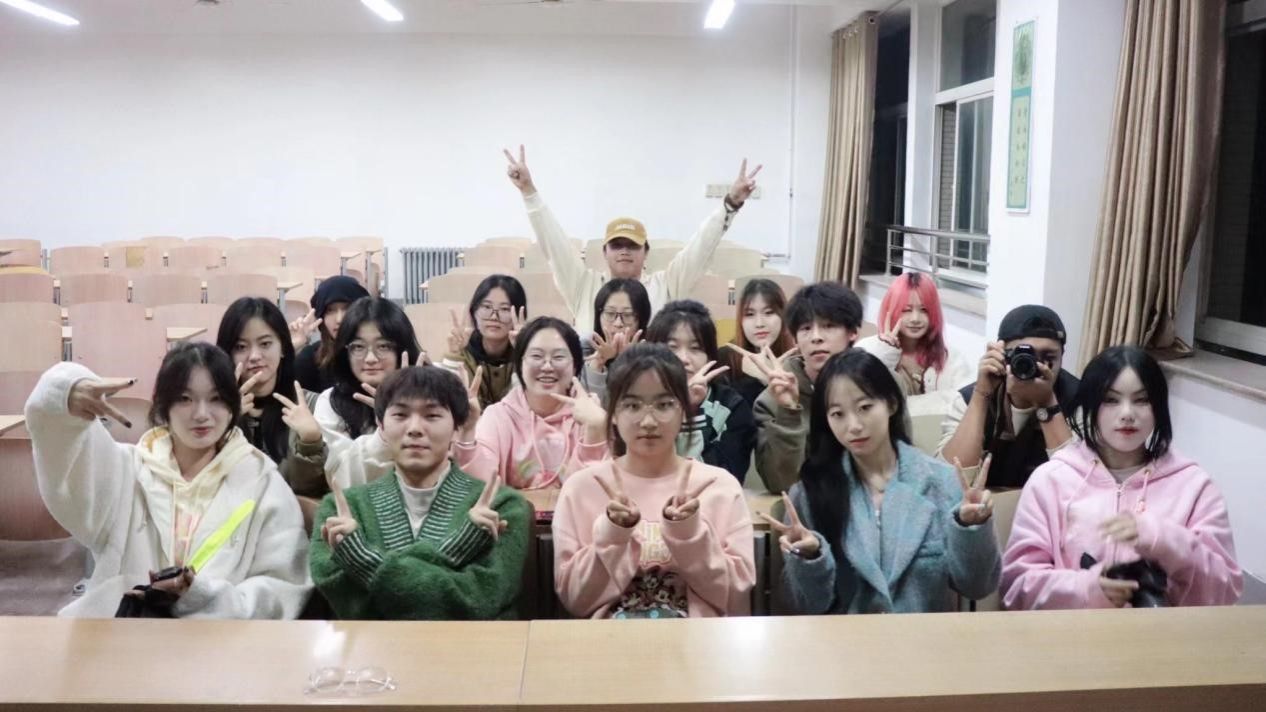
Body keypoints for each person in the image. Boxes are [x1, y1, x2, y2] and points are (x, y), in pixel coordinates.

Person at [24, 342, 311, 618]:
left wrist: (204, 597)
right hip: (126, 637)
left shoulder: (262, 482)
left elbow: (282, 587)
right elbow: (62, 449)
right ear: (163, 405)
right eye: (185, 399)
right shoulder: (126, 471)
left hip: (221, 642)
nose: (201, 414)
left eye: (216, 399)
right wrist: (65, 393)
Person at [1001, 346, 1242, 610]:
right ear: (1090, 404)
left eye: (1142, 400)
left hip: (1166, 634)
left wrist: (1163, 539)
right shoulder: (1050, 481)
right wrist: (1087, 590)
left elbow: (1224, 591)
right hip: (1073, 633)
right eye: (1111, 400)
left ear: (1159, 407)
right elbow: (1016, 587)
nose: (1127, 413)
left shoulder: (1195, 487)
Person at [769, 349, 999, 614]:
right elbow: (802, 607)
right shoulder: (810, 493)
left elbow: (977, 586)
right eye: (837, 414)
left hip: (923, 638)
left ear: (891, 403)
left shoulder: (941, 483)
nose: (853, 425)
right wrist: (810, 559)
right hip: (843, 639)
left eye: (865, 408)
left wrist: (972, 528)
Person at [310, 366, 531, 620]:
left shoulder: (502, 506)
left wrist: (361, 559)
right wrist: (459, 547)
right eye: (400, 415)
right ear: (381, 425)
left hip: (470, 644)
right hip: (374, 645)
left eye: (432, 415)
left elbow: (481, 600)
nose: (414, 428)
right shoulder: (340, 511)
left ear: (458, 427)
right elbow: (348, 604)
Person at [553, 343, 756, 618]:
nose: (648, 421)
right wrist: (613, 534)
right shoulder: (582, 489)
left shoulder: (720, 487)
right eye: (632, 405)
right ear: (613, 414)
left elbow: (735, 598)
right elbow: (574, 600)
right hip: (607, 640)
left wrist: (689, 534)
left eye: (664, 405)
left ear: (684, 411)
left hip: (699, 640)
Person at [502, 144, 762, 327]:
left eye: (632, 245)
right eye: (617, 245)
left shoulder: (665, 286)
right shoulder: (583, 285)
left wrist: (730, 204)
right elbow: (553, 243)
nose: (624, 251)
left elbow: (700, 249)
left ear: (645, 252)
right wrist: (528, 191)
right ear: (605, 252)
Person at [454, 317, 609, 490]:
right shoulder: (498, 416)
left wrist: (595, 431)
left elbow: (591, 492)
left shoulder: (590, 416)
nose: (547, 366)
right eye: (536, 356)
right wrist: (467, 433)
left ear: (575, 366)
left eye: (558, 357)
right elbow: (479, 487)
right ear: (520, 365)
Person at [938, 305, 1079, 489]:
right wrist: (981, 395)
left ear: (1062, 357)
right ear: (1001, 354)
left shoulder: (1080, 400)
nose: (1035, 365)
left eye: (1048, 357)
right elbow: (947, 483)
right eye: (1023, 355)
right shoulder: (967, 398)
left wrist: (1047, 403)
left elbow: (1077, 485)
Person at [746, 281, 864, 494]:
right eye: (806, 328)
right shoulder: (770, 400)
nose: (816, 337)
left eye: (829, 326)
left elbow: (897, 459)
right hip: (810, 506)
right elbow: (780, 484)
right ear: (794, 339)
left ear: (853, 332)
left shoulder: (879, 384)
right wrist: (789, 411)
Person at [216, 297, 327, 502]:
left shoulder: (312, 406)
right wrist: (225, 426)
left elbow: (310, 492)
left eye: (265, 344)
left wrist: (310, 443)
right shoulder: (215, 410)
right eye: (241, 347)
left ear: (283, 347)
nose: (254, 356)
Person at [644, 300, 754, 483]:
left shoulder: (731, 406)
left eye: (695, 348)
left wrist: (691, 411)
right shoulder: (639, 402)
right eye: (672, 347)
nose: (684, 358)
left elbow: (726, 479)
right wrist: (676, 409)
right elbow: (642, 470)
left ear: (710, 356)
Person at [314, 297, 424, 479]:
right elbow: (343, 479)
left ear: (401, 349)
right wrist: (383, 433)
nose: (370, 358)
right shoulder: (331, 403)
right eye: (358, 347)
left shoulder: (429, 394)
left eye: (383, 346)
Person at [856, 273, 973, 395]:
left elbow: (963, 402)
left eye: (924, 310)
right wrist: (885, 352)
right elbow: (861, 395)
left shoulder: (951, 359)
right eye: (907, 310)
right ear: (891, 311)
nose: (915, 318)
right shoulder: (866, 350)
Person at [440, 274, 527, 411]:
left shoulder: (526, 356)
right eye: (486, 307)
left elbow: (524, 406)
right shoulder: (462, 352)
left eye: (504, 309)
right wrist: (454, 354)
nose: (494, 317)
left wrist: (524, 354)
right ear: (474, 313)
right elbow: (445, 403)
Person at [720, 278, 795, 406]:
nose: (759, 323)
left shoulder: (796, 361)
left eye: (768, 313)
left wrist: (769, 381)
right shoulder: (724, 359)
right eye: (750, 314)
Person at [293, 276, 370, 394]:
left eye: (347, 308)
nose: (339, 319)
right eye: (330, 310)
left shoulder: (378, 356)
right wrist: (292, 347)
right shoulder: (311, 358)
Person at [582, 278, 651, 403]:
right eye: (610, 313)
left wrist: (631, 361)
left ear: (642, 318)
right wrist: (598, 362)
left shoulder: (655, 355)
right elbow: (587, 405)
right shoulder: (583, 350)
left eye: (628, 315)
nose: (618, 323)